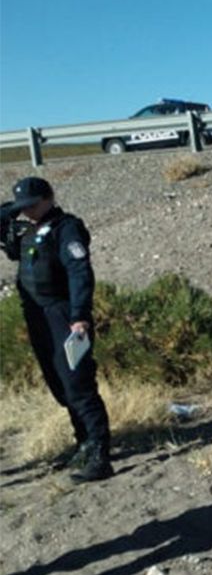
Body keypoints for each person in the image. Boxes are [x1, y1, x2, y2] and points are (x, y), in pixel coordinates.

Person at [5, 177, 112, 482]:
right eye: (23, 207)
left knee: (78, 384)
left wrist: (79, 316)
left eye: (32, 205)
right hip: (38, 318)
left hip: (63, 315)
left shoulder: (66, 229)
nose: (28, 211)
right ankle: (84, 443)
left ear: (49, 198)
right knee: (60, 385)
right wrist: (12, 211)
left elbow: (80, 273)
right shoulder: (27, 231)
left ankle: (100, 454)